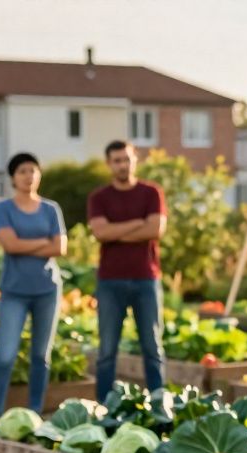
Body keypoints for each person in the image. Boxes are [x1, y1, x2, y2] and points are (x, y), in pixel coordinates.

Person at [0, 153, 67, 418]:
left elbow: (61, 247)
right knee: (6, 355)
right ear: (13, 178)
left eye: (33, 170)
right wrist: (44, 243)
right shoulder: (3, 208)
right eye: (22, 171)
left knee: (41, 356)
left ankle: (34, 412)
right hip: (14, 292)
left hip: (47, 290)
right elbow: (10, 245)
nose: (28, 176)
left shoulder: (50, 209)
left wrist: (27, 245)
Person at [87, 140, 167, 400]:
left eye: (126, 159)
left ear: (135, 160)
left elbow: (155, 230)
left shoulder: (151, 193)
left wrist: (116, 231)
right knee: (107, 350)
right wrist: (137, 223)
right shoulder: (99, 198)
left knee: (152, 347)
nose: (123, 164)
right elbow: (101, 232)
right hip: (110, 281)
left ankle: (158, 404)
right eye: (117, 160)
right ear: (109, 164)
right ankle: (104, 407)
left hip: (146, 279)